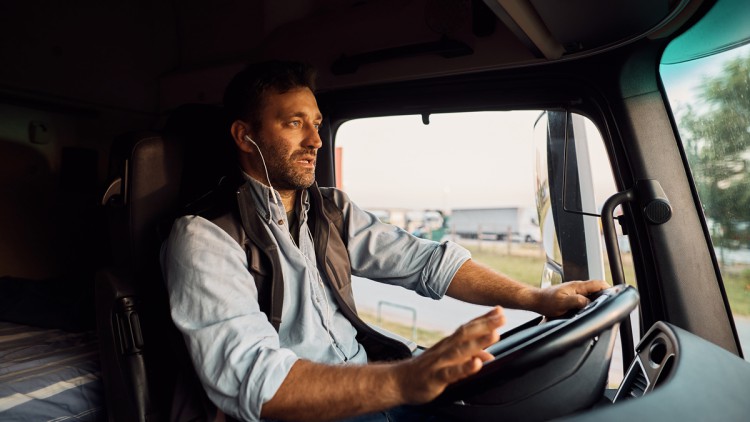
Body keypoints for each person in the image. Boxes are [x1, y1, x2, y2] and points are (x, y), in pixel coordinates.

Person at [160, 60, 609, 422]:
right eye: (294, 123)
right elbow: (256, 382)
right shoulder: (204, 237)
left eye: (317, 123)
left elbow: (425, 262)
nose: (315, 140)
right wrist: (405, 379)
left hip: (373, 386)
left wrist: (535, 297)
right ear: (245, 135)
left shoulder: (330, 209)